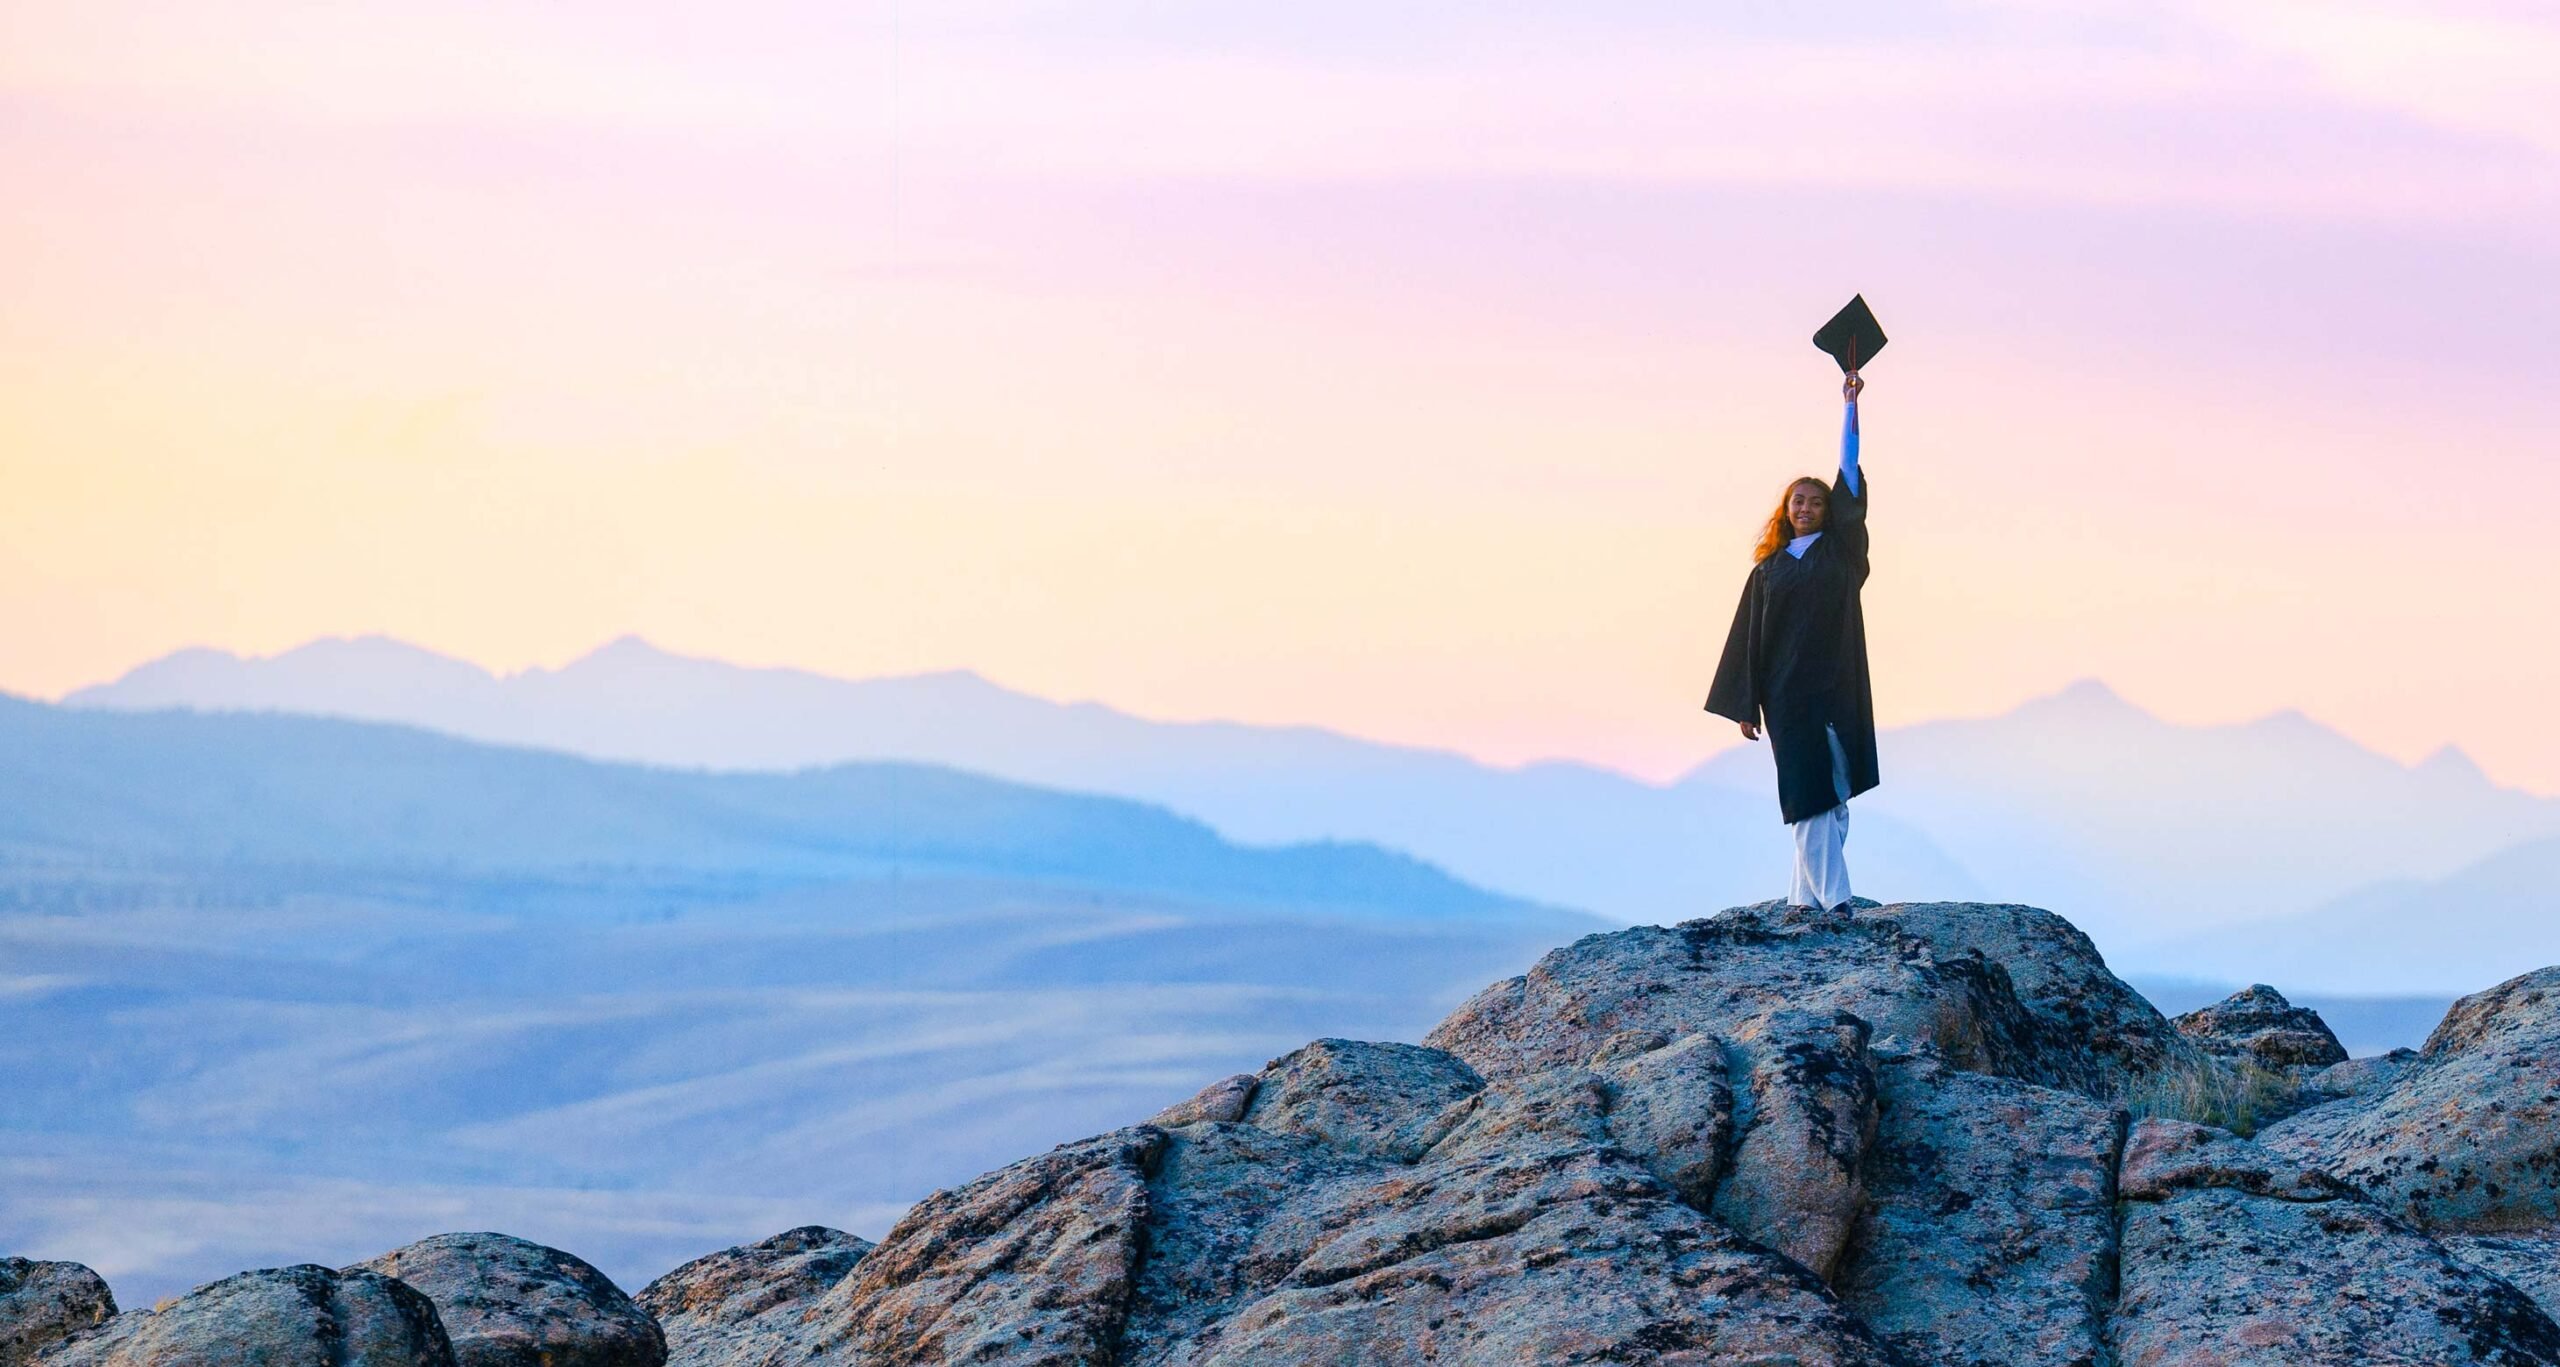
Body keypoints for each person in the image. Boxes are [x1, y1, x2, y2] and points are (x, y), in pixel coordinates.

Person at [1704, 372, 1880, 912]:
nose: (1805, 508)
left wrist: (1849, 410)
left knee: (1837, 791)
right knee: (1809, 797)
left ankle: (1801, 900)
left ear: (1830, 513)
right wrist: (1745, 704)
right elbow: (1748, 639)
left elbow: (1848, 480)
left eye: (1815, 503)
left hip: (1838, 686)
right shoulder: (1769, 571)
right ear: (1785, 510)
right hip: (1787, 696)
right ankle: (1835, 900)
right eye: (1797, 502)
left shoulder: (1841, 556)